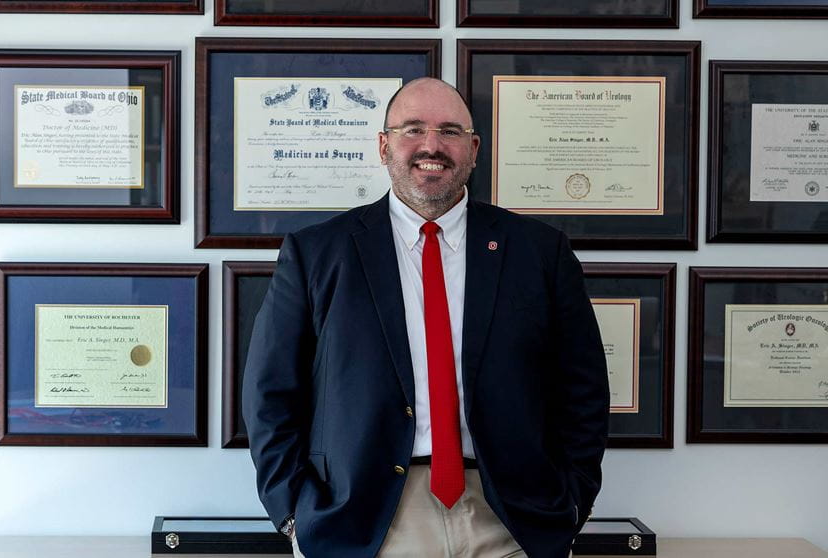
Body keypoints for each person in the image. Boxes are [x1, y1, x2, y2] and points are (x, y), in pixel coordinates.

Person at [242, 77, 609, 558]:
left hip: (514, 519)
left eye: (450, 131)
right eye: (412, 129)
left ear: (473, 149)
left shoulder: (539, 252)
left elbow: (582, 392)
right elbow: (270, 395)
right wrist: (294, 515)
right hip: (364, 522)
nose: (431, 145)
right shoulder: (317, 253)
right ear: (383, 144)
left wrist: (571, 504)